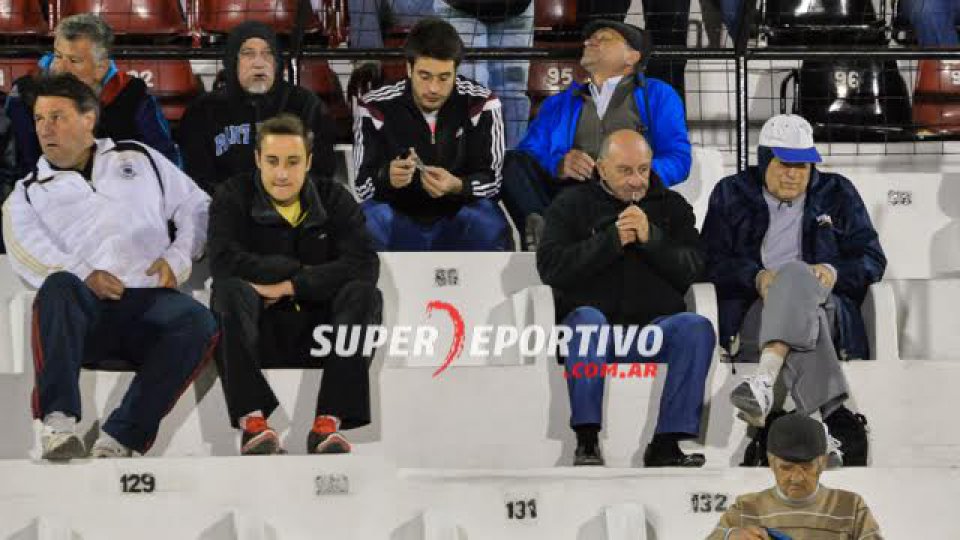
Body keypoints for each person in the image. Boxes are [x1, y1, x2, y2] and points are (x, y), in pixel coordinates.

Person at [2, 73, 215, 461]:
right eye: (38, 119)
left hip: (148, 303)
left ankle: (121, 436)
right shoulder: (26, 193)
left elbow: (196, 205)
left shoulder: (139, 157)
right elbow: (26, 253)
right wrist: (85, 275)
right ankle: (58, 424)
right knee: (58, 286)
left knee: (197, 321)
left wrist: (178, 259)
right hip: (83, 317)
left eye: (57, 116)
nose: (45, 128)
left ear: (89, 118)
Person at [702, 114, 884, 466]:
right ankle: (836, 419)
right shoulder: (731, 193)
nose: (794, 175)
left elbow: (872, 258)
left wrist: (832, 271)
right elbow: (708, 260)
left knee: (799, 279)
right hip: (757, 310)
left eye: (802, 166)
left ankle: (765, 384)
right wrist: (756, 277)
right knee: (800, 294)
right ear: (764, 160)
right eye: (785, 164)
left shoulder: (837, 192)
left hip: (826, 307)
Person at [537, 129, 714, 467]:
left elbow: (695, 268)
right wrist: (611, 240)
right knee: (588, 323)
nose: (637, 181)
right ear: (601, 168)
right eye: (625, 170)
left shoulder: (673, 208)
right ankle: (586, 441)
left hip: (654, 331)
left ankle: (666, 443)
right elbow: (552, 269)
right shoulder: (570, 206)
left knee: (696, 327)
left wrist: (653, 239)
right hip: (592, 328)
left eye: (644, 170)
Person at [208, 114, 382, 455]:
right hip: (257, 334)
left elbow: (363, 264)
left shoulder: (335, 198)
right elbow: (224, 260)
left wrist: (292, 285)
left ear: (310, 162)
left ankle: (327, 423)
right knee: (228, 290)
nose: (282, 174)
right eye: (272, 161)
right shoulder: (232, 195)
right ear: (257, 159)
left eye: (293, 162)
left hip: (320, 333)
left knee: (363, 294)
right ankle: (253, 422)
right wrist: (300, 269)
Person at [503, 19, 691, 250]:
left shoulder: (658, 95)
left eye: (603, 38)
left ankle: (556, 236)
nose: (589, 41)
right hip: (566, 194)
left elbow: (678, 159)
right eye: (590, 39)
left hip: (625, 197)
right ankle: (546, 231)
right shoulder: (558, 103)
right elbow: (529, 151)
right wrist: (559, 164)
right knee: (512, 162)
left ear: (632, 56)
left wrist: (628, 173)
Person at [354, 18, 509, 251]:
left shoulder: (482, 102)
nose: (434, 88)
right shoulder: (374, 105)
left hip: (458, 215)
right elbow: (362, 186)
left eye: (444, 77)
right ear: (409, 68)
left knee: (489, 223)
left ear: (456, 70)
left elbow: (494, 182)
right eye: (425, 76)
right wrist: (387, 177)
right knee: (367, 221)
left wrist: (458, 185)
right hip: (399, 215)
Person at [2, 14, 179, 190]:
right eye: (58, 56)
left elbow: (166, 164)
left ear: (101, 68)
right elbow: (11, 167)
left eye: (74, 60)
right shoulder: (24, 95)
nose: (61, 68)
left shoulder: (133, 96)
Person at [178, 21, 337, 194]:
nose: (259, 63)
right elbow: (197, 182)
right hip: (226, 213)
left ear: (277, 63)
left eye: (267, 54)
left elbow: (320, 174)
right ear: (233, 61)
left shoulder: (305, 106)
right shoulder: (203, 111)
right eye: (248, 54)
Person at [348, 0, 533, 147]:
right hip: (465, 8)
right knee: (472, 91)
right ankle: (473, 168)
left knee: (506, 93)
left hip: (513, 7)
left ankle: (510, 167)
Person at [707, 413, 884, 539]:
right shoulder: (746, 508)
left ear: (822, 462)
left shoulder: (851, 507)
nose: (797, 478)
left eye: (807, 467)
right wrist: (730, 536)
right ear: (771, 462)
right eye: (786, 467)